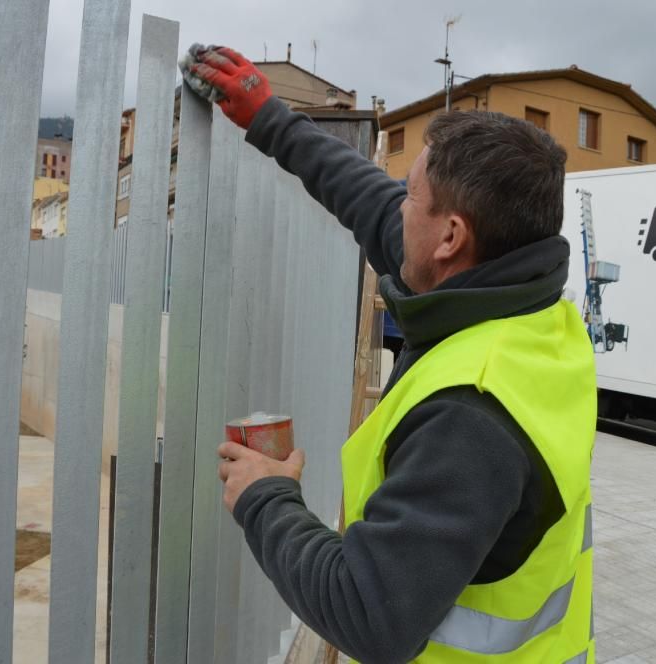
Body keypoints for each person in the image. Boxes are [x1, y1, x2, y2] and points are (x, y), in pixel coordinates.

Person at [193, 46, 597, 664]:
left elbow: (369, 614)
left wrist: (265, 497)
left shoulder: (472, 415)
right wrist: (266, 116)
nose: (397, 206)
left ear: (451, 237)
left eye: (412, 195)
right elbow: (371, 202)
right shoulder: (528, 308)